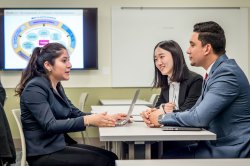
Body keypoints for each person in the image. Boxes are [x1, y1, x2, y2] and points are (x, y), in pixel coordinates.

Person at [142, 21, 250, 158]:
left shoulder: (227, 74)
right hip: (215, 144)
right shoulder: (215, 73)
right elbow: (193, 112)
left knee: (167, 157)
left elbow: (199, 118)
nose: (187, 50)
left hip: (230, 149)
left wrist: (161, 118)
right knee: (164, 153)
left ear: (207, 48)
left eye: (192, 45)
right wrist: (160, 116)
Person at [15, 43, 127, 166]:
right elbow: (50, 125)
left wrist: (107, 118)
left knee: (112, 157)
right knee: (105, 162)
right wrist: (88, 120)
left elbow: (76, 114)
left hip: (58, 145)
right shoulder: (35, 88)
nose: (70, 65)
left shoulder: (57, 85)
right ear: (48, 65)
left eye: (69, 60)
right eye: (64, 60)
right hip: (43, 153)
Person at [142, 40, 203, 158]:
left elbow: (188, 113)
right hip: (167, 134)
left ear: (175, 56)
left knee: (150, 151)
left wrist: (162, 113)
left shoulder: (195, 80)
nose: (158, 62)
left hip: (185, 137)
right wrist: (150, 114)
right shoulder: (166, 81)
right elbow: (159, 106)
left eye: (161, 57)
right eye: (155, 59)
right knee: (143, 149)